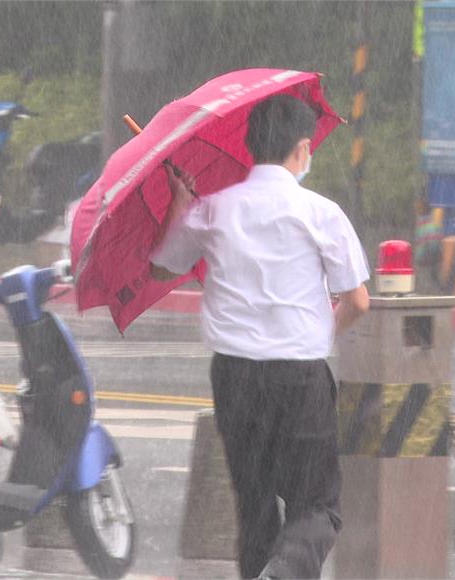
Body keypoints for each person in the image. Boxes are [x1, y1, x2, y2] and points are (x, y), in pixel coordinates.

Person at [149, 94, 371, 579]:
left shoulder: (215, 210)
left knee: (255, 510)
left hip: (234, 378)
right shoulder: (321, 213)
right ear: (303, 149)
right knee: (317, 506)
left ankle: (265, 571)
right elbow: (357, 301)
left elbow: (163, 263)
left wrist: (182, 205)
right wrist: (317, 334)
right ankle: (286, 572)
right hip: (299, 377)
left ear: (251, 147)